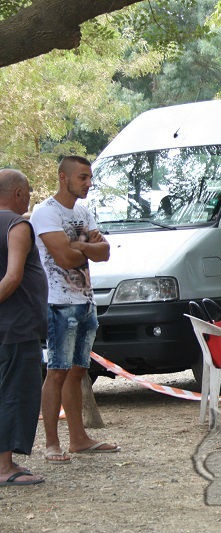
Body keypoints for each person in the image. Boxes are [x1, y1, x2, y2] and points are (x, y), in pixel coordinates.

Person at [30, 155, 119, 464]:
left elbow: (105, 252)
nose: (89, 183)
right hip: (58, 303)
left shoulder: (83, 211)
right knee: (56, 371)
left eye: (89, 177)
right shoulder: (45, 213)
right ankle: (52, 443)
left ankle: (79, 439)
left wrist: (77, 245)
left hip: (86, 301)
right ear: (63, 178)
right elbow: (64, 259)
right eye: (82, 177)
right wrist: (83, 246)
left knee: (79, 370)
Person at [0, 169, 47, 486]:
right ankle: (4, 467)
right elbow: (13, 277)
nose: (29, 198)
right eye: (28, 192)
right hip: (16, 328)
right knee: (15, 394)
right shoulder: (17, 225)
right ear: (17, 193)